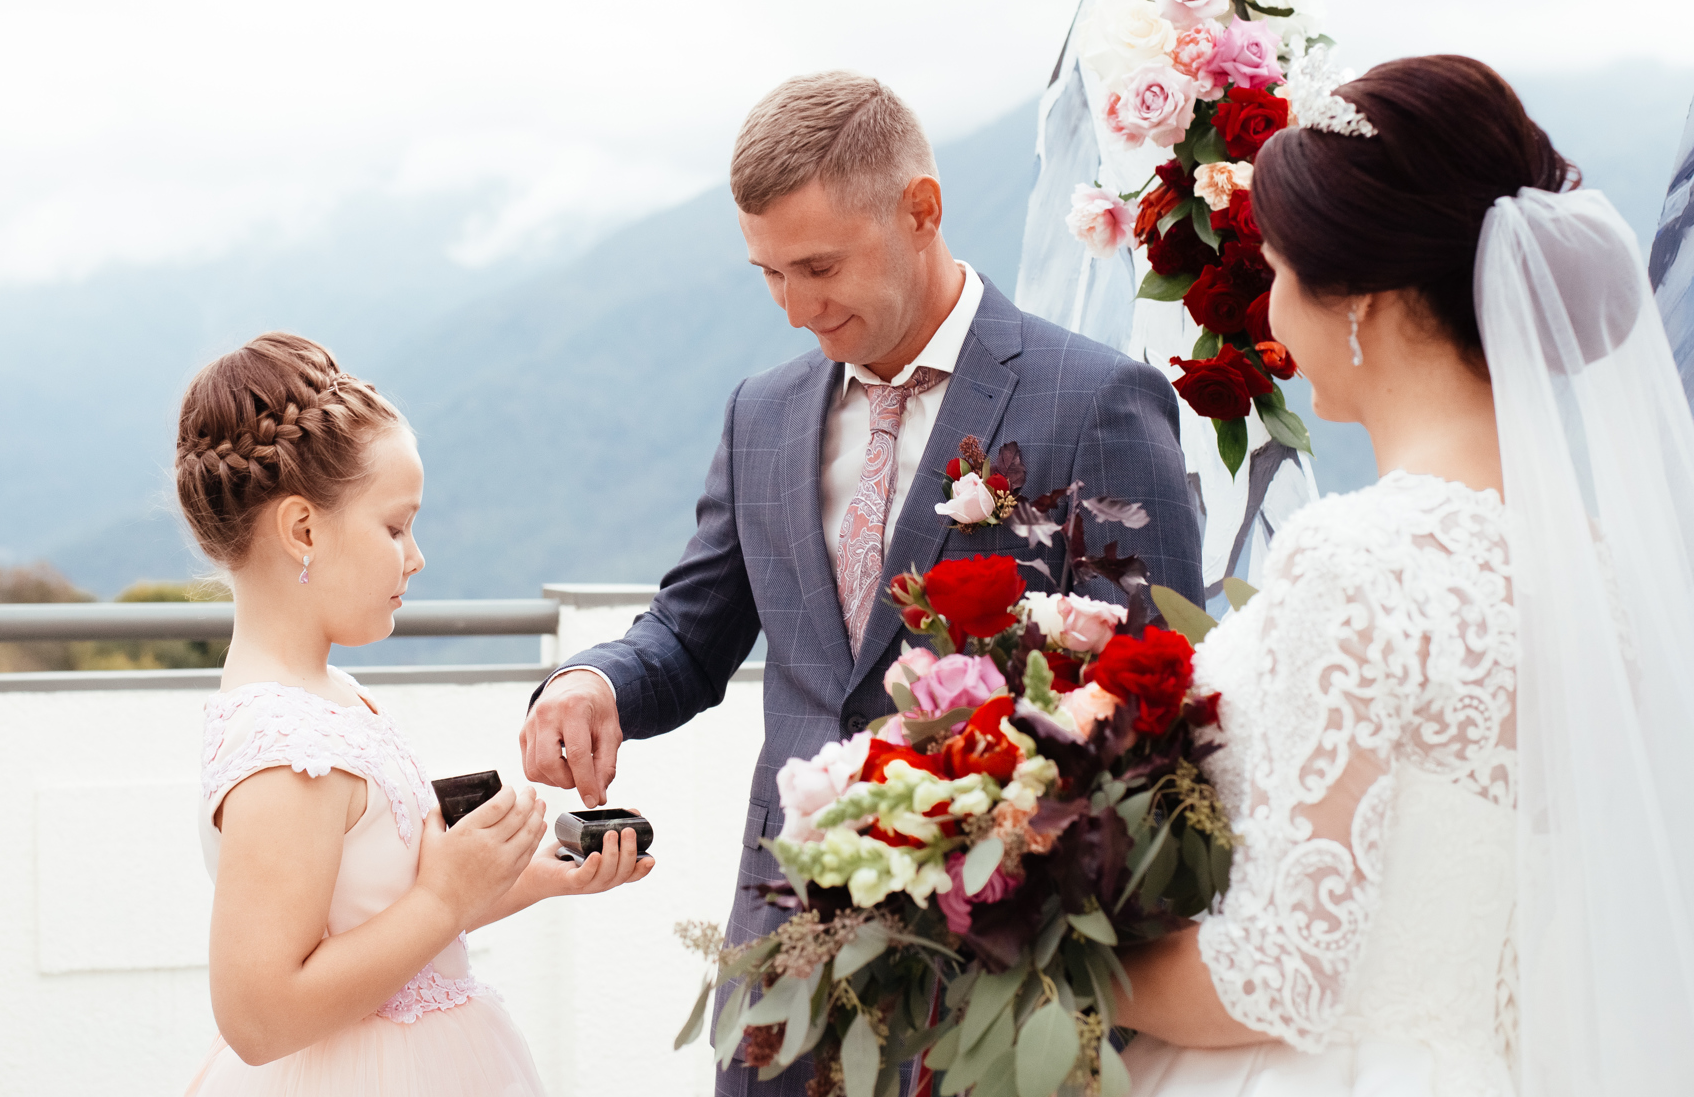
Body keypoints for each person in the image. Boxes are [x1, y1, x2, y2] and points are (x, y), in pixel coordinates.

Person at [516, 71, 1205, 1095]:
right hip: (781, 979)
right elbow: (692, 632)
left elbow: (1155, 708)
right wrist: (595, 681)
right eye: (768, 274)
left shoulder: (1095, 401)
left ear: (920, 209)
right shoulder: (761, 413)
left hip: (999, 989)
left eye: (818, 267)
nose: (796, 309)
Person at [1112, 54, 1694, 1095]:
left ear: (1359, 302)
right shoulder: (1595, 575)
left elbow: (1281, 974)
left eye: (1278, 272)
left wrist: (1035, 957)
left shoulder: (1352, 559)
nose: (1269, 316)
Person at [177, 333, 653, 1097]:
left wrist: (531, 875)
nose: (416, 555)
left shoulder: (331, 694)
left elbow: (383, 918)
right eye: (395, 527)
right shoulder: (285, 748)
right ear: (303, 531)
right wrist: (445, 897)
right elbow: (258, 1015)